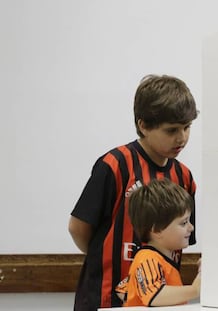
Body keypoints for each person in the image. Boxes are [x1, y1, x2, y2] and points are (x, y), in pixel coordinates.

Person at [68, 74, 198, 310]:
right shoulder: (115, 165)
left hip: (159, 303)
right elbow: (78, 228)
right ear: (143, 125)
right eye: (171, 130)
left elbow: (182, 242)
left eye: (187, 127)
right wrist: (108, 260)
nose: (182, 138)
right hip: (105, 299)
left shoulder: (185, 177)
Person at [115, 178, 201, 306]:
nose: (191, 227)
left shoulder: (155, 259)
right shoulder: (147, 259)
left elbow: (122, 289)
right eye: (184, 223)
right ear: (157, 230)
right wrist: (196, 288)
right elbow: (154, 296)